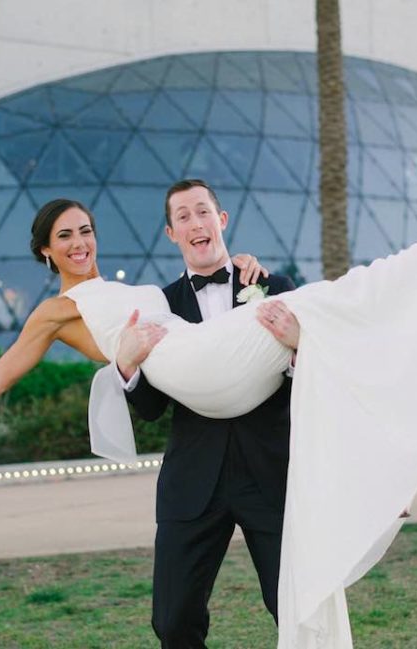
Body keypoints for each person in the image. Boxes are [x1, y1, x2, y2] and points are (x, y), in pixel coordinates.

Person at [0, 193, 417, 648]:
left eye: (85, 230)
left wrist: (285, 331)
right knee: (173, 621)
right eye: (65, 235)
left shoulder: (201, 284)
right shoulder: (55, 313)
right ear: (45, 251)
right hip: (193, 402)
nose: (80, 242)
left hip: (233, 391)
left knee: (322, 308)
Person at [112, 179, 298, 648]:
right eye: (183, 217)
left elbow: (311, 384)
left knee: (296, 607)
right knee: (172, 621)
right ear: (172, 233)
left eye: (203, 212)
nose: (196, 223)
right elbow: (153, 409)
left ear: (222, 220)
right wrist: (126, 365)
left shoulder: (274, 288)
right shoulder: (159, 307)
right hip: (193, 483)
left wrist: (301, 347)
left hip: (270, 475)